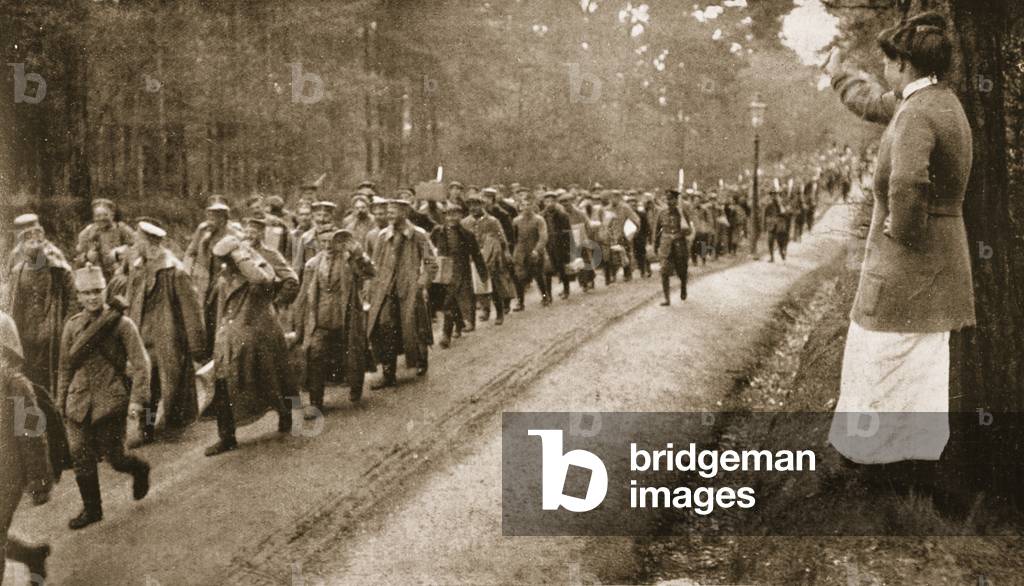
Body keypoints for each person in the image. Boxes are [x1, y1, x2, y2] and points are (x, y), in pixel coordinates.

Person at [824, 13, 975, 481]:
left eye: (888, 62)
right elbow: (872, 102)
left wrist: (901, 233)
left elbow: (908, 181)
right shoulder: (936, 101)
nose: (885, 71)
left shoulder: (916, 113)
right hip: (937, 267)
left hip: (909, 266)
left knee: (879, 356)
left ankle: (876, 465)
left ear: (903, 64)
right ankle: (905, 466)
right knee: (918, 368)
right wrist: (840, 75)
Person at [57, 265, 152, 529]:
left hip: (110, 401)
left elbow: (141, 363)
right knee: (79, 453)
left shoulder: (122, 324)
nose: (92, 298)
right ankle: (92, 510)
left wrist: (136, 400)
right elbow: (65, 367)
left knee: (115, 457)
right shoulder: (73, 327)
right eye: (86, 293)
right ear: (78, 296)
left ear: (105, 291)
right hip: (78, 402)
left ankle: (139, 469)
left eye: (97, 291)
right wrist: (60, 401)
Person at [205, 236, 293, 456]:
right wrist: (219, 337)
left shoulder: (260, 266)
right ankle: (227, 437)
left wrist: (241, 256)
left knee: (279, 378)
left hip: (261, 333)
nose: (223, 262)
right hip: (233, 337)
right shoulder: (225, 275)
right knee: (224, 384)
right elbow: (221, 309)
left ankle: (289, 414)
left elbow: (261, 279)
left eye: (226, 257)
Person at [126, 219, 205, 444]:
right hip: (141, 334)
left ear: (149, 243)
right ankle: (146, 427)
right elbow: (132, 300)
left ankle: (174, 422)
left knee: (170, 381)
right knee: (146, 382)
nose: (133, 244)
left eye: (137, 240)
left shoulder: (175, 271)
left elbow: (191, 310)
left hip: (168, 336)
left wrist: (196, 345)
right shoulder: (139, 267)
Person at [292, 228, 376, 417]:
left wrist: (359, 253)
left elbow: (371, 272)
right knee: (315, 356)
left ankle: (355, 390)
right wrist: (299, 320)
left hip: (346, 318)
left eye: (331, 241)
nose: (328, 246)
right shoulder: (313, 264)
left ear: (339, 242)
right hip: (320, 320)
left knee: (353, 354)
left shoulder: (350, 261)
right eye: (323, 242)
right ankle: (316, 403)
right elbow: (304, 294)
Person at [1, 312, 54, 582]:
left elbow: (32, 433)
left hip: (9, 472)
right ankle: (30, 556)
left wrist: (40, 479)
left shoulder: (17, 385)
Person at [366, 198, 438, 388]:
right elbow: (374, 265)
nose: (389, 213)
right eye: (388, 210)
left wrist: (421, 283)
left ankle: (422, 360)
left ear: (405, 212)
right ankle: (388, 374)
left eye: (394, 210)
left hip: (410, 289)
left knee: (415, 325)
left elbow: (431, 263)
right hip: (386, 289)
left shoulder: (419, 235)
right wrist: (371, 288)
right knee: (384, 326)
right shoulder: (383, 236)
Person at [2, 215, 75, 397]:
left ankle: (51, 415)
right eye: (29, 242)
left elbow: (73, 299)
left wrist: (66, 326)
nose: (34, 246)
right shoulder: (18, 271)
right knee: (27, 379)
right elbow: (11, 300)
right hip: (25, 333)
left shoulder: (58, 270)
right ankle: (30, 418)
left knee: (50, 378)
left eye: (38, 243)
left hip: (51, 334)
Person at [184, 197, 240, 352]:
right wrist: (187, 272)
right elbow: (190, 252)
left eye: (214, 217)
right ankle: (204, 349)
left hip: (224, 280)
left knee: (220, 314)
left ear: (223, 218)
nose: (210, 221)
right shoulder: (203, 230)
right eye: (208, 216)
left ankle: (219, 350)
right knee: (203, 313)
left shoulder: (234, 233)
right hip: (203, 279)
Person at [431, 202, 488, 348]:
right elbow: (428, 248)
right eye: (448, 215)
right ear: (444, 217)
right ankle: (458, 325)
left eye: (455, 215)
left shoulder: (467, 235)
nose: (451, 218)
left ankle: (446, 335)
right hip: (443, 271)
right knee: (448, 302)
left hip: (461, 271)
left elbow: (476, 255)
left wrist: (483, 274)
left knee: (451, 301)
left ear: (461, 216)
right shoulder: (438, 232)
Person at [462, 194, 514, 326]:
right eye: (470, 205)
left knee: (494, 285)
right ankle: (486, 310)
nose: (473, 208)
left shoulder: (492, 221)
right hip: (474, 258)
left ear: (482, 205)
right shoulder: (465, 222)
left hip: (491, 256)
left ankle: (500, 312)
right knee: (479, 285)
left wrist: (506, 252)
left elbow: (501, 237)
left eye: (476, 205)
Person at [74, 199, 136, 278]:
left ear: (112, 215)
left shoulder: (122, 229)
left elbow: (136, 248)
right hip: (96, 276)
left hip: (119, 274)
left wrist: (122, 252)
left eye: (105, 215)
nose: (101, 219)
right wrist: (86, 258)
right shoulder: (88, 232)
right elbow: (78, 257)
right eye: (98, 216)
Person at [654, 189, 692, 306]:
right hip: (666, 248)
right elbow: (656, 231)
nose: (670, 202)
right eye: (668, 199)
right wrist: (656, 246)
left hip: (680, 246)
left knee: (682, 272)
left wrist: (678, 234)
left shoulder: (682, 213)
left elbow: (688, 230)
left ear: (676, 200)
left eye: (672, 199)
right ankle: (667, 299)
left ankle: (683, 286)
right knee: (664, 272)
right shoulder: (662, 213)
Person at [511, 196, 550, 309]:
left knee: (539, 276)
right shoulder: (516, 221)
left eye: (528, 204)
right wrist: (515, 252)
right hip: (521, 252)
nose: (526, 207)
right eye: (523, 205)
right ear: (520, 206)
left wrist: (537, 250)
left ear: (533, 205)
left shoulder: (539, 219)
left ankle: (544, 297)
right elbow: (514, 238)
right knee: (519, 277)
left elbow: (543, 236)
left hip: (535, 252)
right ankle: (520, 302)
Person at [541, 192, 573, 300]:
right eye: (547, 201)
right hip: (547, 246)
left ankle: (566, 290)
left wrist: (568, 249)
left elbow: (568, 233)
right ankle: (548, 295)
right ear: (544, 203)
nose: (549, 204)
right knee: (547, 271)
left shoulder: (562, 215)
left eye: (552, 201)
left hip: (560, 246)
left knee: (562, 269)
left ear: (555, 202)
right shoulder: (542, 216)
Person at [292, 200, 338, 276]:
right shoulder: (306, 238)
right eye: (319, 215)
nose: (322, 219)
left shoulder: (338, 236)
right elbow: (298, 265)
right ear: (313, 216)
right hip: (310, 278)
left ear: (331, 217)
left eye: (326, 215)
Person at [762, 189, 790, 262]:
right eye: (772, 195)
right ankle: (772, 257)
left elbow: (786, 215)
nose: (773, 196)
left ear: (776, 195)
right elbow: (764, 215)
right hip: (771, 226)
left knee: (780, 241)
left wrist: (781, 210)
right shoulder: (768, 205)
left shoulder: (780, 204)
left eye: (775, 195)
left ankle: (781, 252)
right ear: (770, 196)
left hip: (779, 226)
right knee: (770, 241)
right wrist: (764, 227)